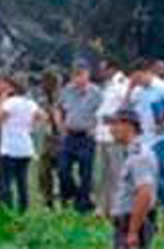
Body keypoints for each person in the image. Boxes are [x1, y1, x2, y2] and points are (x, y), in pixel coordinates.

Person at [127, 61, 164, 212]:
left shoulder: (163, 87)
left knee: (155, 168)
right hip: (145, 138)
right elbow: (126, 106)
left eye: (139, 78)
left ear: (147, 72)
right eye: (134, 79)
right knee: (156, 170)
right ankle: (162, 204)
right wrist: (129, 88)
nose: (137, 82)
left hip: (163, 137)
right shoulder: (138, 91)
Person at [106, 109, 158, 249]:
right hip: (127, 223)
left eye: (114, 124)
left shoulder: (139, 156)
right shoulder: (130, 154)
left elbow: (145, 193)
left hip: (133, 222)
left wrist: (133, 231)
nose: (111, 130)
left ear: (129, 126)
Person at [0, 75, 44, 212]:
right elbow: (42, 115)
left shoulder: (10, 103)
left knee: (6, 182)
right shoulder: (30, 103)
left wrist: (1, 101)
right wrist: (30, 124)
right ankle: (23, 210)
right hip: (25, 147)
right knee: (22, 182)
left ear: (11, 88)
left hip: (10, 148)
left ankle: (7, 209)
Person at [58, 60, 103, 213]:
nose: (79, 79)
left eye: (81, 75)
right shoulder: (67, 90)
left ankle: (83, 205)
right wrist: (61, 125)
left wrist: (95, 127)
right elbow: (59, 108)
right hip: (69, 136)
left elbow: (102, 113)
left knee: (85, 172)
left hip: (86, 136)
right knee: (63, 169)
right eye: (76, 75)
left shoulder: (96, 93)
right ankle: (72, 195)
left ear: (88, 75)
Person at [97, 60, 131, 218]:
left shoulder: (122, 83)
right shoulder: (108, 85)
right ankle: (105, 207)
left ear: (112, 69)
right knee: (104, 173)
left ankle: (120, 207)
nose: (101, 72)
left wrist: (115, 119)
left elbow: (127, 104)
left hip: (115, 134)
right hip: (103, 133)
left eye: (103, 69)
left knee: (117, 172)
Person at [37, 69, 63, 209]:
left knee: (60, 169)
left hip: (59, 137)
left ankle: (61, 196)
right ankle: (48, 199)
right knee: (44, 171)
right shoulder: (43, 99)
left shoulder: (61, 98)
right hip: (48, 137)